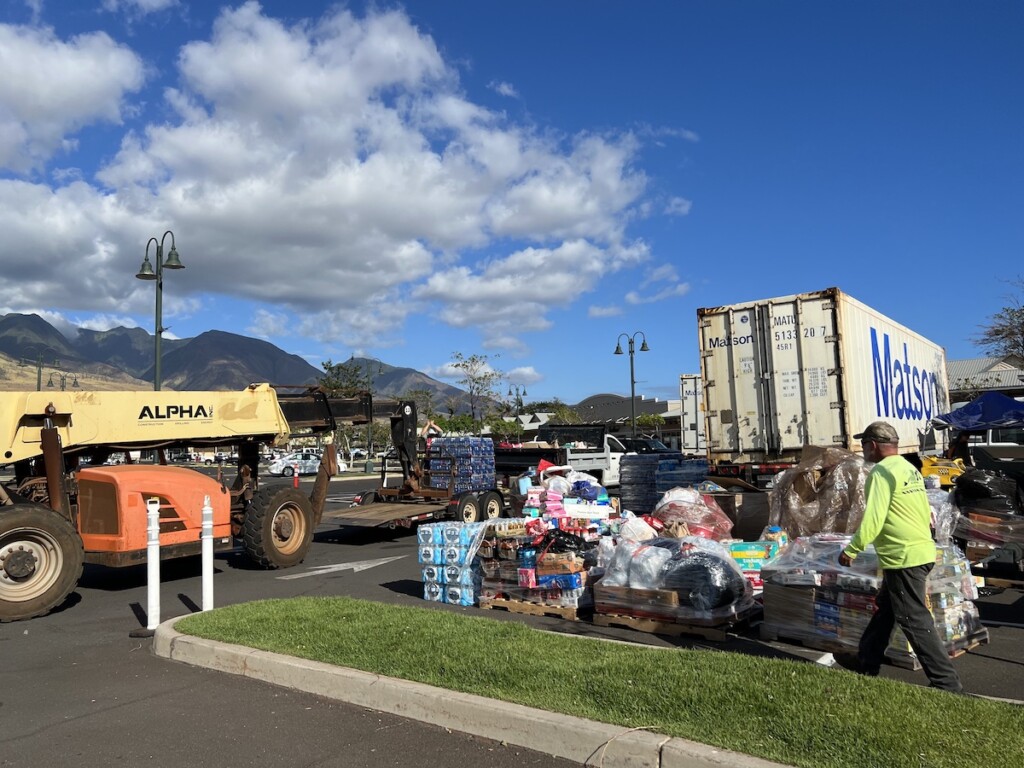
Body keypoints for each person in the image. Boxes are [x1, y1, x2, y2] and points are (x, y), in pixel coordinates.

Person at [836, 420, 963, 693]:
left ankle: (946, 683)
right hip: (919, 550)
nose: (862, 451)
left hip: (904, 556)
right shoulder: (909, 469)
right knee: (888, 609)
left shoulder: (881, 473)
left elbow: (874, 518)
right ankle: (866, 660)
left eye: (863, 445)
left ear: (872, 446)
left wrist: (852, 549)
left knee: (913, 618)